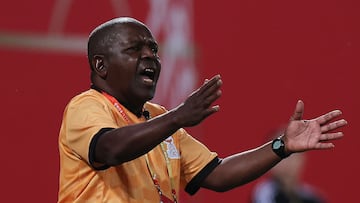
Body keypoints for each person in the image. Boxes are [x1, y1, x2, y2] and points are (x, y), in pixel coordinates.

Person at [57, 17, 347, 203]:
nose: (150, 56)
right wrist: (178, 117)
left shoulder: (159, 118)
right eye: (134, 49)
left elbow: (217, 174)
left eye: (153, 49)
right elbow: (110, 149)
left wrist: (282, 146)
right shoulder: (86, 106)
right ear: (101, 65)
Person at [251, 128, 327, 203]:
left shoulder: (312, 197)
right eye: (283, 154)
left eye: (295, 154)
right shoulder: (264, 193)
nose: (289, 160)